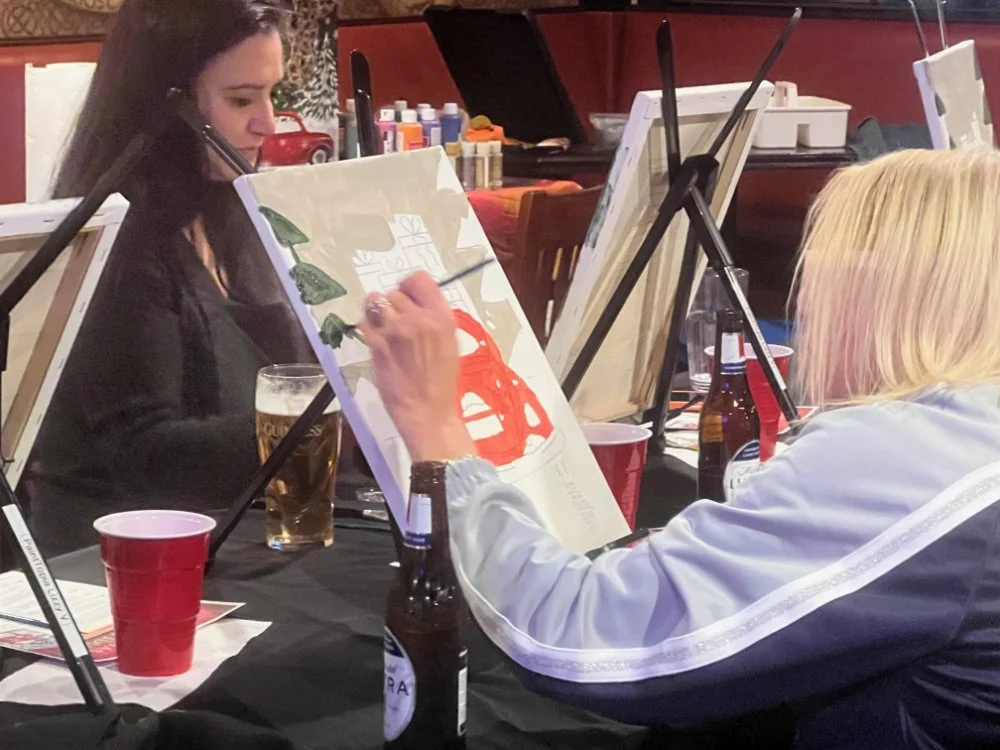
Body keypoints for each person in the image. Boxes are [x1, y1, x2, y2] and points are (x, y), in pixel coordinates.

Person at [359, 148, 1000, 748]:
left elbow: (577, 633)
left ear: (890, 296)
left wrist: (439, 434)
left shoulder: (911, 452)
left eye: (819, 281)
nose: (806, 303)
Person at [28, 0, 314, 556]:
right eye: (241, 99)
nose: (268, 122)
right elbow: (148, 460)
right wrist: (320, 421)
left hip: (237, 526)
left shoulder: (235, 211)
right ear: (165, 102)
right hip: (121, 559)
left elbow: (292, 375)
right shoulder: (118, 241)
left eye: (271, 93)